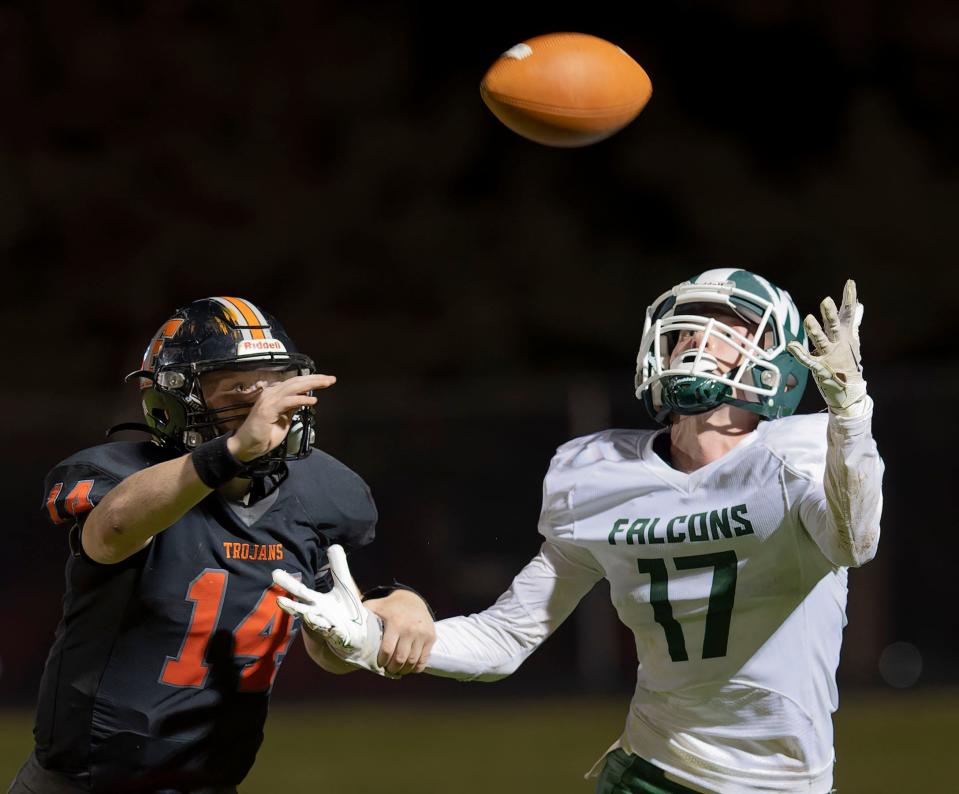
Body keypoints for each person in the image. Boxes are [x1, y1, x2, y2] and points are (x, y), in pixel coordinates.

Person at [278, 270, 884, 793]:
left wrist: (850, 415)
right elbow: (505, 639)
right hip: (654, 771)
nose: (700, 340)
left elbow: (854, 543)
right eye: (689, 327)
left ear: (778, 360)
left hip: (785, 780)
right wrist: (370, 638)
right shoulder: (598, 476)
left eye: (730, 327)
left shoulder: (801, 452)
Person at [11, 296, 434, 794]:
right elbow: (111, 533)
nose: (263, 403)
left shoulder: (324, 491)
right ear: (173, 401)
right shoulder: (118, 474)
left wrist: (397, 606)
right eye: (236, 387)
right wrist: (232, 451)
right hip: (83, 783)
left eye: (273, 383)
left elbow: (330, 647)